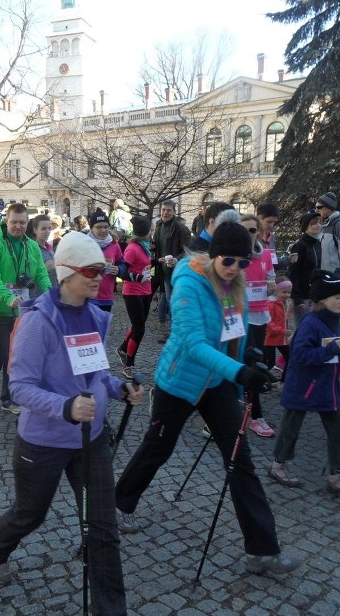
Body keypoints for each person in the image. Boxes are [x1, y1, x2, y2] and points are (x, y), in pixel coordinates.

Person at [114, 222, 300, 575]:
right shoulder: (188, 285)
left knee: (240, 461)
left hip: (217, 384)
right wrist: (239, 371)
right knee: (158, 448)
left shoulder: (236, 285)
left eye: (242, 262)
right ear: (214, 255)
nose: (234, 268)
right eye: (228, 260)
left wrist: (249, 358)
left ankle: (263, 551)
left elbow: (236, 331)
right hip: (179, 382)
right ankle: (120, 501)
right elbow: (193, 344)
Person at [0, 231, 144, 616]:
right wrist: (65, 407)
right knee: (30, 513)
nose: (99, 278)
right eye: (91, 271)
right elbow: (19, 386)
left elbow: (96, 372)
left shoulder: (96, 315)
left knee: (102, 528)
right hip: (45, 440)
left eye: (102, 270)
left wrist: (118, 389)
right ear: (67, 273)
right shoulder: (38, 321)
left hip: (91, 439)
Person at [269, 270, 340, 496]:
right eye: (338, 298)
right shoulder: (310, 322)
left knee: (336, 430)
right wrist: (332, 349)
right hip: (303, 385)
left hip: (326, 386)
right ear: (323, 299)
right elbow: (300, 356)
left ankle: (335, 475)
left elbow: (335, 352)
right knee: (290, 428)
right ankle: (277, 466)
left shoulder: (334, 321)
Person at [0, 203, 51, 414]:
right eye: (14, 222)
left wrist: (49, 293)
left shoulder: (32, 245)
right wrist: (7, 297)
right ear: (6, 222)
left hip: (22, 310)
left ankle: (9, 398)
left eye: (22, 222)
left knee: (15, 355)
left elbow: (40, 273)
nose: (18, 226)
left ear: (27, 223)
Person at [240, 213, 277, 437]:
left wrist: (271, 285)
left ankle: (245, 399)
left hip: (260, 316)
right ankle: (256, 417)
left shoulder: (264, 255)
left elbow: (272, 278)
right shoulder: (231, 258)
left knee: (261, 362)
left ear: (258, 233)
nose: (248, 235)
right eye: (243, 230)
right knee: (254, 364)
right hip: (239, 320)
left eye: (252, 230)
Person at [115, 215, 153, 379]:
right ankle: (128, 365)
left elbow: (144, 265)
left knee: (139, 325)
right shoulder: (132, 248)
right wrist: (137, 278)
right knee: (140, 329)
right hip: (132, 292)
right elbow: (123, 271)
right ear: (146, 231)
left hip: (145, 290)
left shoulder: (144, 246)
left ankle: (123, 348)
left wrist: (158, 261)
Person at [152, 199, 192, 342]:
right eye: (163, 210)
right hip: (162, 270)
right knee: (169, 299)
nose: (165, 213)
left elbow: (189, 251)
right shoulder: (158, 225)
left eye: (169, 210)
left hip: (177, 271)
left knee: (174, 300)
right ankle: (175, 329)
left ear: (174, 212)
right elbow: (158, 245)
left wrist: (177, 259)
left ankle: (176, 332)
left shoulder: (181, 229)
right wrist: (153, 248)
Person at [288, 211, 323, 324]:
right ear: (306, 227)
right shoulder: (300, 246)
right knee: (303, 328)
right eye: (314, 223)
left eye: (319, 222)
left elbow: (317, 269)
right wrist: (297, 298)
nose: (318, 225)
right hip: (302, 296)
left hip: (313, 294)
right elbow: (293, 273)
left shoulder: (317, 243)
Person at [87, 207, 123, 312]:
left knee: (103, 328)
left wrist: (119, 269)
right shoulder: (83, 243)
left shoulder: (114, 244)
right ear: (91, 228)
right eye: (99, 227)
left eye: (106, 227)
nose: (103, 230)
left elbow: (122, 262)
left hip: (106, 297)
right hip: (87, 296)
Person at [265, 278, 293, 377]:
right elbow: (268, 322)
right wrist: (282, 331)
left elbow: (284, 320)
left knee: (290, 358)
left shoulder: (286, 303)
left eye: (289, 293)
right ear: (276, 291)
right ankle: (260, 380)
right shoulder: (271, 304)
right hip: (270, 338)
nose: (287, 295)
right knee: (269, 363)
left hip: (281, 338)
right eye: (284, 292)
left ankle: (283, 381)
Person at [25, 213, 57, 294]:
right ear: (35, 230)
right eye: (43, 229)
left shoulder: (49, 248)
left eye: (49, 228)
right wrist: (44, 269)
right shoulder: (30, 249)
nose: (47, 231)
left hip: (52, 295)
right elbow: (25, 277)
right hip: (38, 298)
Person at [256, 203, 281, 267]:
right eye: (269, 222)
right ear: (259, 218)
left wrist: (288, 259)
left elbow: (273, 261)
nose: (271, 225)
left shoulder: (272, 237)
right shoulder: (252, 236)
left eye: (274, 222)